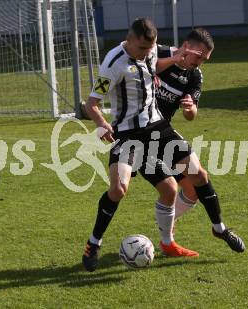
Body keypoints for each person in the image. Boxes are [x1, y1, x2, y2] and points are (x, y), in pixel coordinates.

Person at [81, 18, 200, 272]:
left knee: (169, 190)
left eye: (151, 49)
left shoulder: (152, 50)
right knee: (119, 189)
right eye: (143, 49)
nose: (148, 54)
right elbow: (91, 103)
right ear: (131, 39)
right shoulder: (113, 63)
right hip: (125, 136)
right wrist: (102, 124)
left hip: (151, 133)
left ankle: (168, 243)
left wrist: (181, 55)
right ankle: (93, 243)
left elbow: (158, 63)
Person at [152, 28, 246, 253]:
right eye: (199, 56)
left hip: (162, 132)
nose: (200, 62)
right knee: (129, 188)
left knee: (196, 184)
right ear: (186, 46)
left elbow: (191, 115)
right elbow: (141, 67)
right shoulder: (159, 53)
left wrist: (189, 107)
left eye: (205, 60)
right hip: (138, 131)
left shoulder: (194, 75)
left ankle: (214, 229)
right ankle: (94, 243)